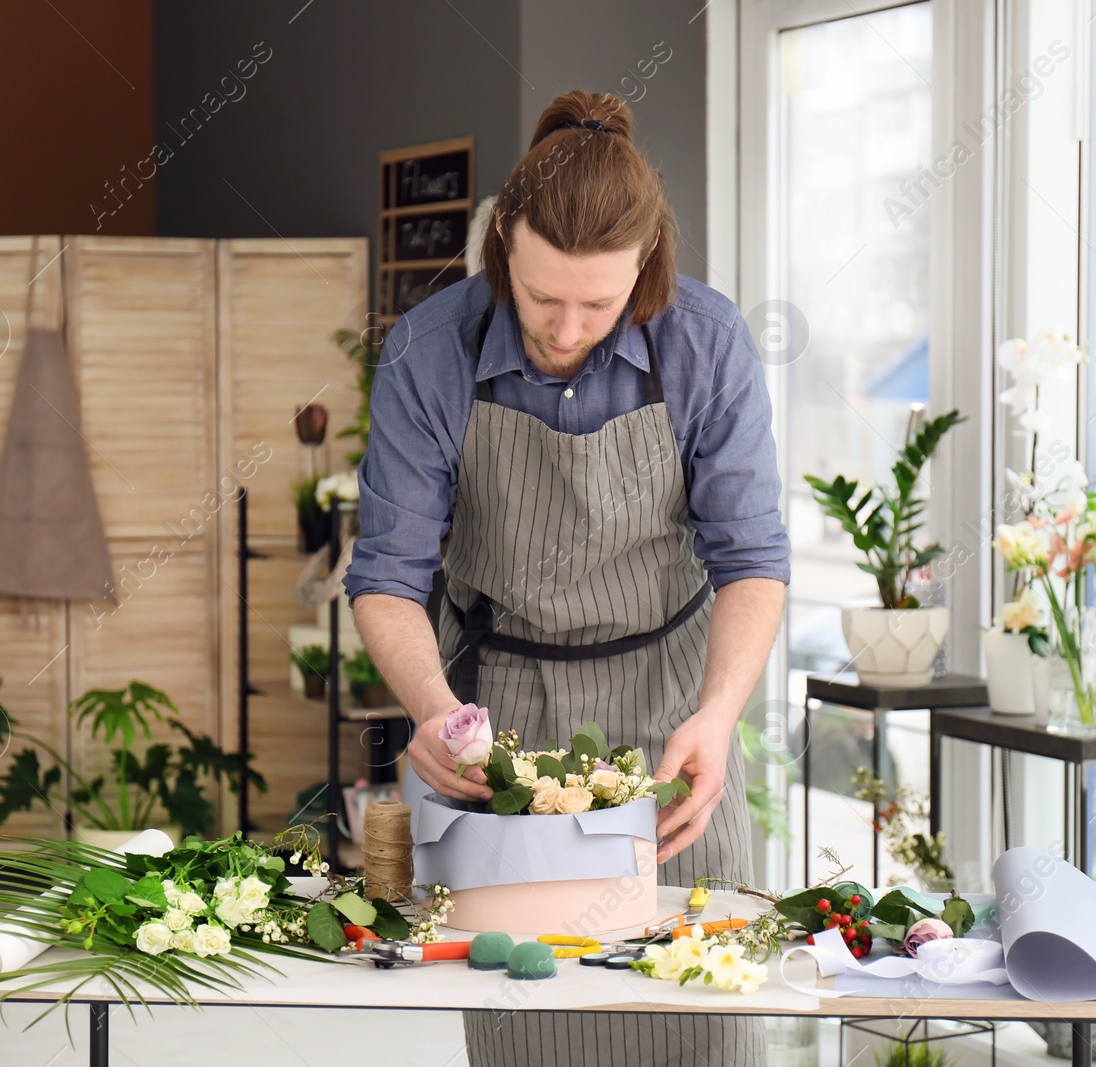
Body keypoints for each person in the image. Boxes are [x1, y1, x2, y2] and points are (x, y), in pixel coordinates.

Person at [344, 89, 789, 1067]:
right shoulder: (430, 353)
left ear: (648, 262)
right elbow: (385, 574)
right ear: (503, 240)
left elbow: (752, 560)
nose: (566, 326)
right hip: (502, 725)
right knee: (532, 1016)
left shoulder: (706, 344)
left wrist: (716, 718)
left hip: (673, 714)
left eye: (600, 301)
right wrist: (431, 709)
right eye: (544, 296)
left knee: (698, 1014)